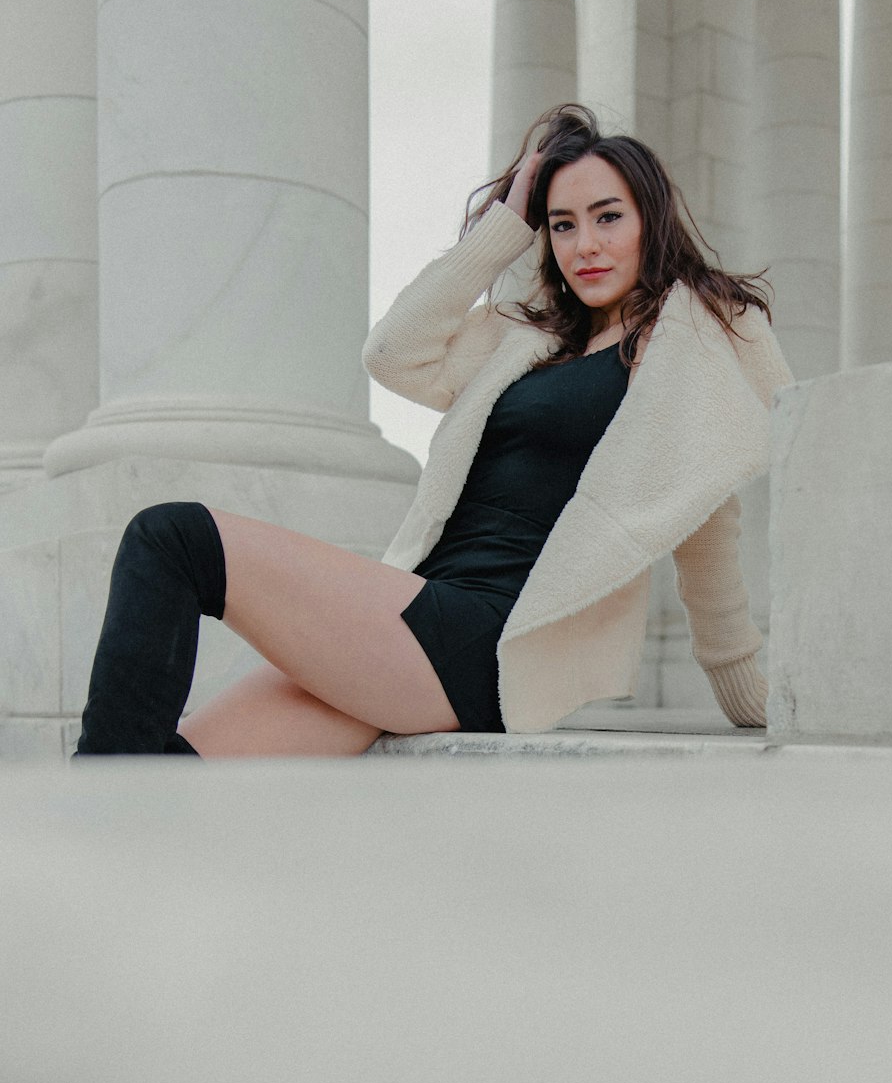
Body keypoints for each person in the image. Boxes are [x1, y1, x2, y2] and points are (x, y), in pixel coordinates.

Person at [71, 103, 793, 758]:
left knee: (170, 539)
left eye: (609, 217)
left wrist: (745, 687)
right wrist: (502, 230)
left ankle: (92, 818)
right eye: (563, 224)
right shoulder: (530, 336)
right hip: (419, 615)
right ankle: (105, 848)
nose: (585, 246)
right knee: (172, 766)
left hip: (487, 643)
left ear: (651, 218)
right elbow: (392, 353)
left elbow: (707, 518)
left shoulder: (689, 343)